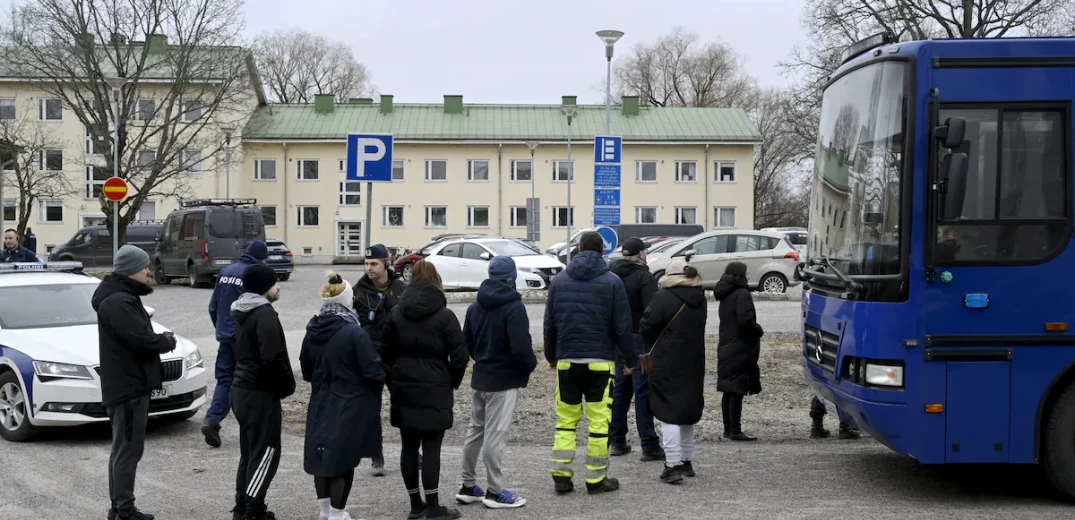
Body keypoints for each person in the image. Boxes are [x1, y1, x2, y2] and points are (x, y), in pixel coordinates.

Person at [544, 231, 637, 495]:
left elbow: (549, 324)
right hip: (599, 363)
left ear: (579, 248)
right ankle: (596, 479)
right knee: (598, 422)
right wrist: (629, 360)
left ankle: (561, 475)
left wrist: (552, 357)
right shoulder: (612, 281)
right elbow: (622, 327)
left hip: (567, 362)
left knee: (566, 420)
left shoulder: (559, 281)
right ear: (602, 252)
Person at [92, 245, 178, 520]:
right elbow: (141, 339)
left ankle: (120, 508)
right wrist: (167, 341)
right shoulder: (118, 301)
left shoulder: (122, 296)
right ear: (131, 270)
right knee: (128, 450)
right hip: (128, 387)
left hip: (128, 384)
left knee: (123, 450)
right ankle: (124, 512)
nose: (148, 271)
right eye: (144, 267)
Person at [382, 260, 469, 520]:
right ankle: (433, 506)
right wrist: (449, 381)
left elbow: (384, 355)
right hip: (436, 389)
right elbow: (461, 356)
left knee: (409, 446)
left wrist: (393, 382)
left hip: (404, 388)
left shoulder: (396, 313)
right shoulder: (445, 316)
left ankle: (415, 504)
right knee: (432, 448)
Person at [301, 273, 385, 520]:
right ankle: (338, 514)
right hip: (349, 403)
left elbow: (306, 370)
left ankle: (325, 511)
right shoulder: (354, 332)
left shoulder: (312, 328)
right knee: (344, 459)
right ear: (348, 300)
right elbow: (373, 371)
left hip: (320, 400)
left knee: (322, 456)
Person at [455, 256, 536, 509]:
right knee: (495, 437)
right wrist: (529, 366)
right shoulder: (514, 307)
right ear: (512, 278)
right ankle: (495, 491)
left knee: (475, 431)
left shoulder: (474, 307)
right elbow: (521, 348)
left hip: (481, 377)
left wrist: (482, 359)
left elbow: (466, 341)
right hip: (504, 380)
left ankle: (468, 486)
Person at [230, 264, 295, 520]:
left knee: (250, 454)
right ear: (264, 287)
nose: (279, 287)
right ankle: (254, 511)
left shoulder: (243, 310)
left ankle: (242, 508)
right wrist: (285, 387)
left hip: (241, 390)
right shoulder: (264, 314)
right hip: (258, 394)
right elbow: (272, 358)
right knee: (266, 453)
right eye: (275, 282)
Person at [639, 259, 707, 484]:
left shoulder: (663, 297)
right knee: (687, 411)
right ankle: (686, 461)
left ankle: (672, 465)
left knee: (668, 412)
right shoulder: (700, 298)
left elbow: (646, 327)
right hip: (694, 359)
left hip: (668, 360)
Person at [202, 240, 270, 448]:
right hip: (245, 338)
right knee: (250, 380)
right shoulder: (254, 274)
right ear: (263, 259)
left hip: (225, 337)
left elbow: (213, 307)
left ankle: (212, 420)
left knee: (225, 380)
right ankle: (252, 425)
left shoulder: (226, 272)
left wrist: (222, 329)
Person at [353, 243, 406, 476]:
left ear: (386, 263)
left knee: (404, 406)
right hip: (370, 358)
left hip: (396, 358)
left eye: (373, 263)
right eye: (366, 264)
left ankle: (413, 452)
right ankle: (376, 457)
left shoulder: (401, 289)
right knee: (371, 409)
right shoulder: (357, 291)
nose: (369, 268)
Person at [607, 237, 662, 460]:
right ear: (640, 254)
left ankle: (617, 441)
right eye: (645, 251)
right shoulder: (644, 277)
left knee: (620, 391)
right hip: (639, 338)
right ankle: (649, 445)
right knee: (642, 392)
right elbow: (653, 312)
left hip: (617, 339)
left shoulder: (611, 277)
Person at [713, 261, 763, 442]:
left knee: (728, 389)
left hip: (726, 344)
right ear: (740, 274)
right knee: (736, 389)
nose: (748, 275)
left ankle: (728, 429)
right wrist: (758, 330)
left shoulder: (725, 293)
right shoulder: (742, 294)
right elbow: (745, 321)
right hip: (739, 346)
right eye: (747, 272)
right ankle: (735, 430)